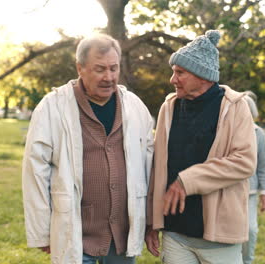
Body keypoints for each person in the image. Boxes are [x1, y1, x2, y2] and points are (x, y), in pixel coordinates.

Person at [22, 34, 154, 264]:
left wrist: (151, 221)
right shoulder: (52, 107)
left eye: (114, 68)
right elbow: (35, 173)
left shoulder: (135, 106)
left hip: (122, 232)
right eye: (100, 69)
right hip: (74, 231)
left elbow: (150, 165)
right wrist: (41, 231)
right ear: (80, 68)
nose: (109, 77)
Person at [145, 30, 257, 264]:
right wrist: (152, 220)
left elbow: (244, 162)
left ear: (202, 76)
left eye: (180, 73)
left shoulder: (236, 107)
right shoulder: (169, 106)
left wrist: (188, 181)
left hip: (218, 240)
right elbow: (159, 167)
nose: (172, 79)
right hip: (175, 234)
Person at [241, 92, 265, 264]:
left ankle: (247, 260)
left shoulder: (258, 133)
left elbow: (264, 166)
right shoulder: (226, 129)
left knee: (251, 230)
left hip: (250, 192)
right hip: (229, 190)